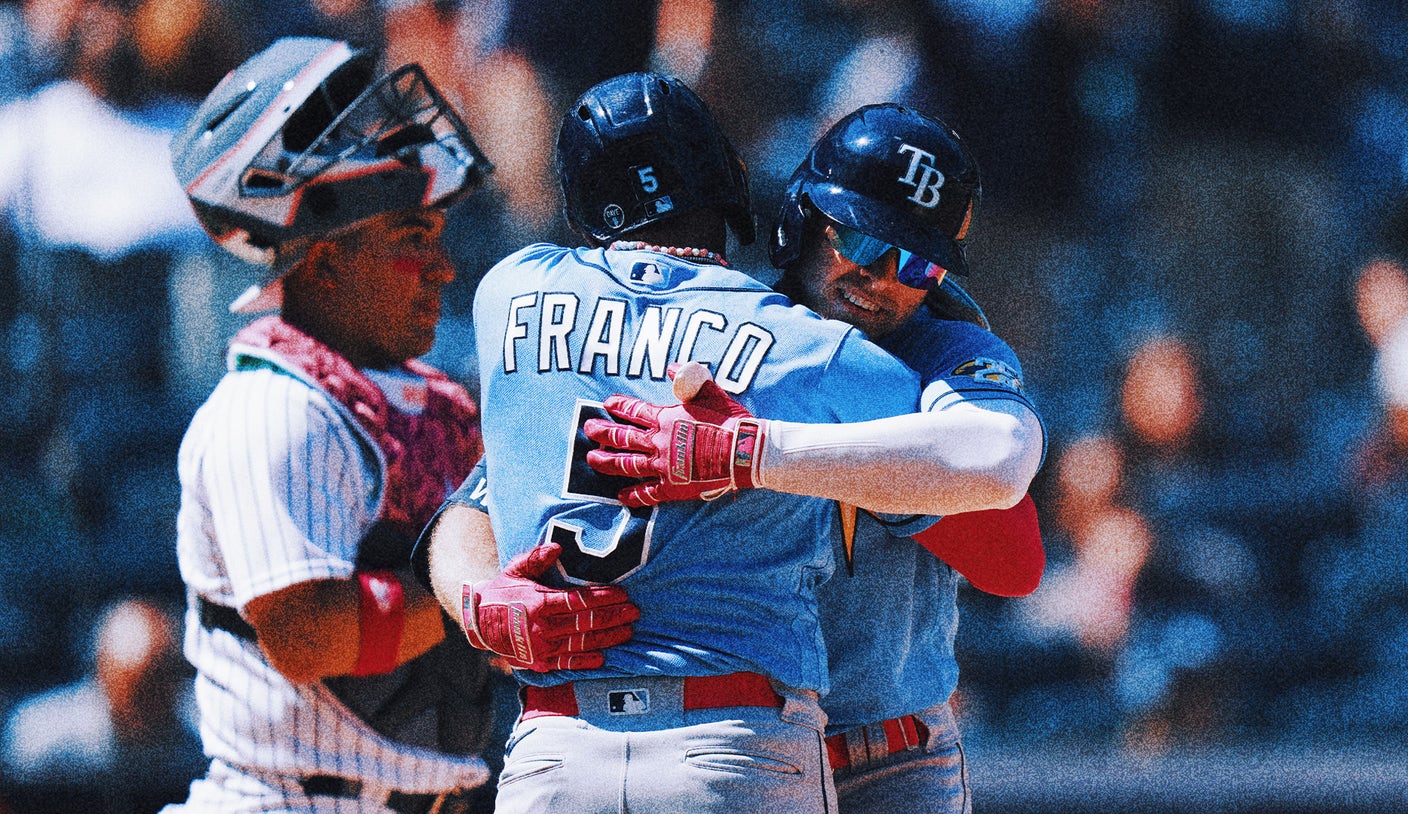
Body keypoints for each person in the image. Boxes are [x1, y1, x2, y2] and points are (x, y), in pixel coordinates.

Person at [424, 72, 934, 814]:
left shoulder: (507, 291)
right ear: (726, 180)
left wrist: (476, 601)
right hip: (734, 740)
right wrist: (757, 445)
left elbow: (480, 490)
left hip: (556, 752)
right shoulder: (809, 348)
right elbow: (958, 468)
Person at [160, 37, 630, 814]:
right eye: (413, 242)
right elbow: (307, 635)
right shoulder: (276, 407)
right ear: (326, 265)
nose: (444, 270)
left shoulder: (424, 402)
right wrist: (479, 594)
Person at [584, 104, 1047, 812]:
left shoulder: (946, 348)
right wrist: (476, 592)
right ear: (801, 220)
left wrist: (760, 448)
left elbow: (1015, 559)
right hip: (733, 737)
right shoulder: (726, 329)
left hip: (893, 754)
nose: (885, 278)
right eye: (862, 241)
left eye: (919, 263)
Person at [1, 597, 204, 813]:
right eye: (135, 688)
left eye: (157, 680)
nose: (145, 700)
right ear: (102, 673)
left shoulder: (205, 738)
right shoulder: (39, 739)